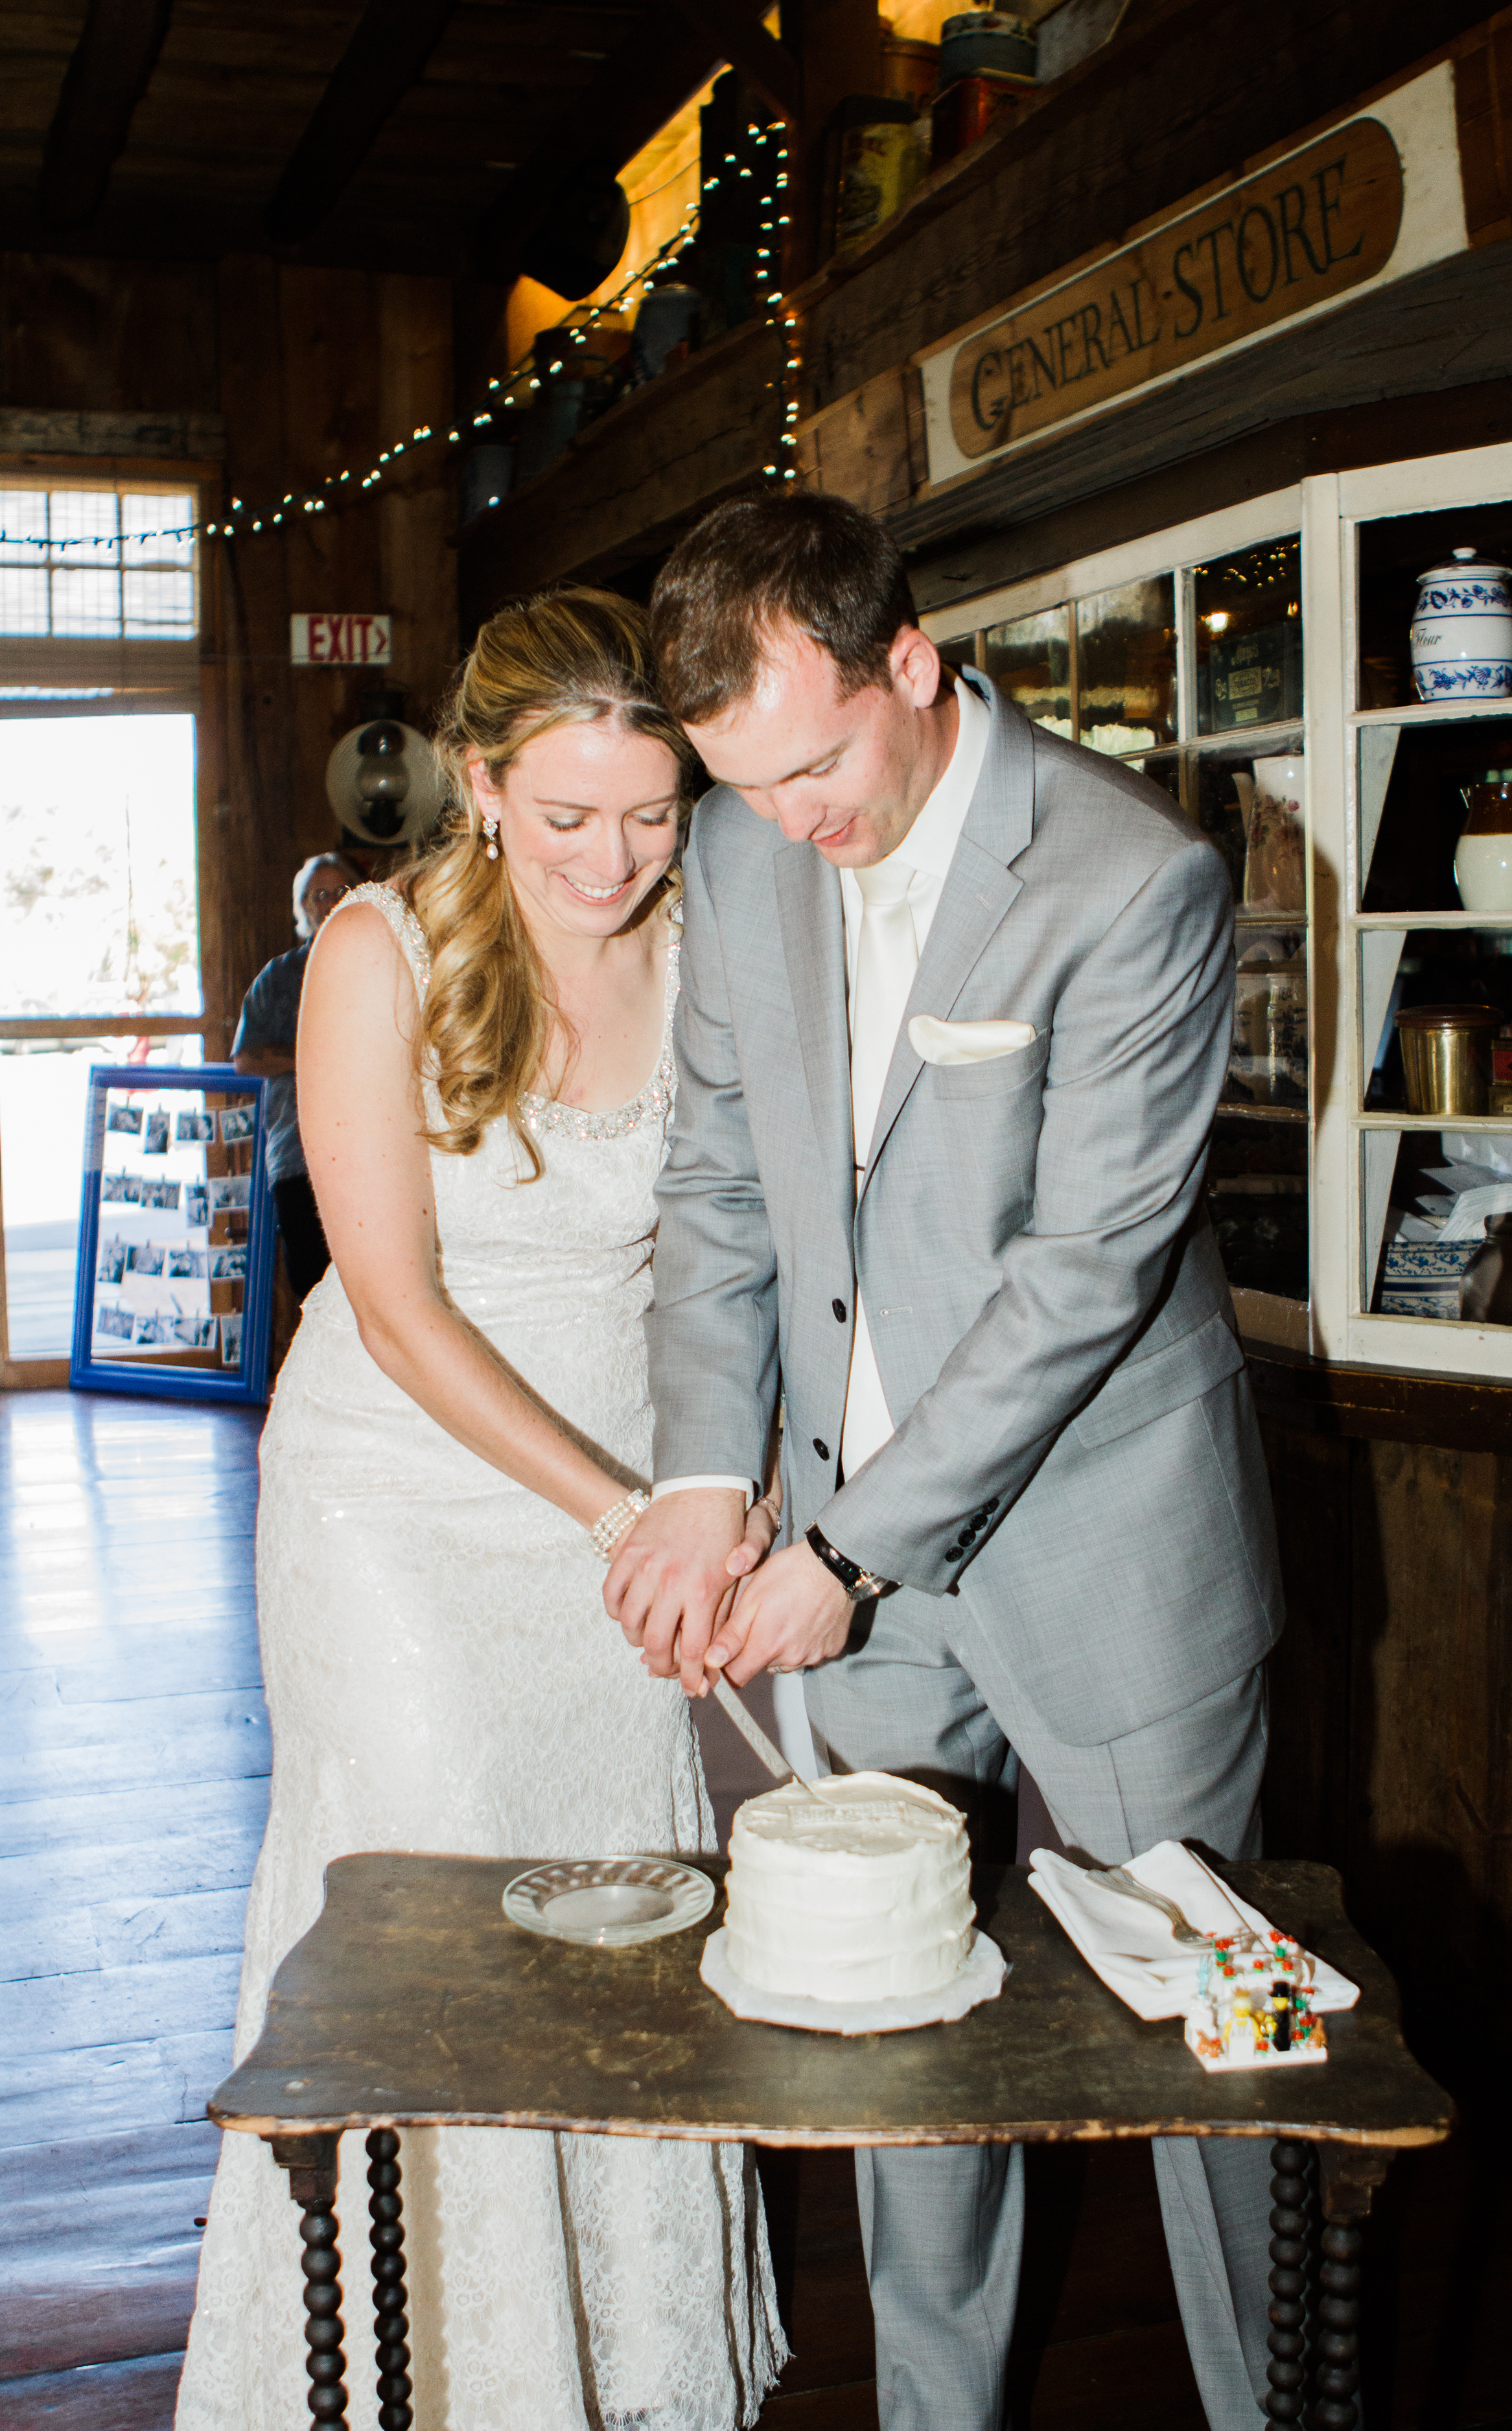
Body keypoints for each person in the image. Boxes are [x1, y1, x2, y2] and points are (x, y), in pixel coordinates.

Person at [605, 491, 1286, 2431]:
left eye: (811, 762)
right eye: (739, 779)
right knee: (901, 2034)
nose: (784, 815)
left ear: (908, 663)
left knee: (1216, 2049)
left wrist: (844, 1548)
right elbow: (722, 1187)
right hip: (849, 1550)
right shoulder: (738, 858)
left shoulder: (1124, 872)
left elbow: (1081, 1278)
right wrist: (691, 1478)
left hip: (1105, 1570)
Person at [178, 592, 786, 2431]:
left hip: (633, 1483)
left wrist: (725, 1486)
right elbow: (395, 1303)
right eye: (570, 814)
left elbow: (736, 1246)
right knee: (443, 1903)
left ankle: (612, 2359)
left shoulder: (704, 939)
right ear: (482, 778)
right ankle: (433, 2369)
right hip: (402, 1512)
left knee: (622, 1895)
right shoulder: (382, 949)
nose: (611, 860)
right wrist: (629, 1515)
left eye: (653, 814)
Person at [232, 852, 362, 1301]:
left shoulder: (387, 964)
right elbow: (247, 1059)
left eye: (340, 892)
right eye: (318, 895)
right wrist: (316, 1056)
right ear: (302, 907)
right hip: (298, 1155)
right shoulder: (278, 976)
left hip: (373, 1152)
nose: (330, 903)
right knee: (313, 1288)